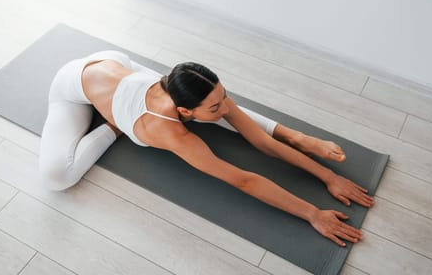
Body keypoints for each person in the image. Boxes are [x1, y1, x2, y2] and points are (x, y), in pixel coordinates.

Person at [39, 50, 374, 246]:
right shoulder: (170, 133)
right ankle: (113, 127)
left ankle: (296, 135)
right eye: (214, 108)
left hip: (112, 60)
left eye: (223, 95)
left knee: (220, 108)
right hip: (73, 85)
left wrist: (326, 175)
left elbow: (260, 141)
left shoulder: (197, 91)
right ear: (184, 113)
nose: (225, 108)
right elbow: (244, 180)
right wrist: (313, 214)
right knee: (57, 176)